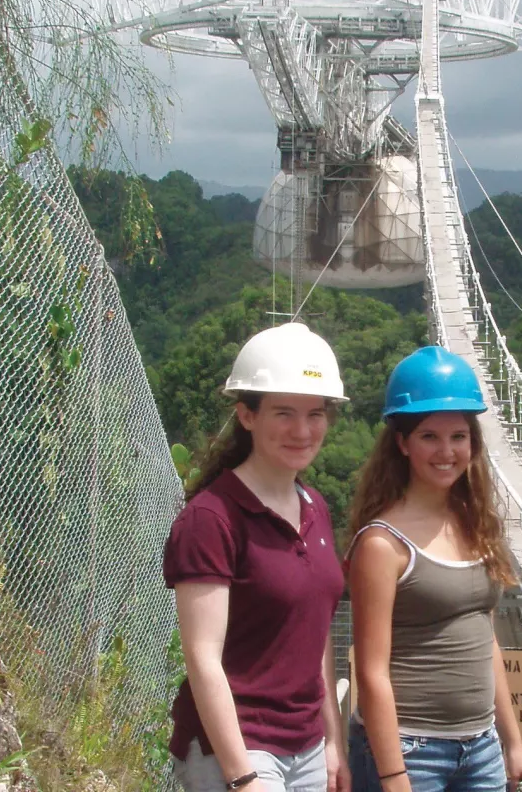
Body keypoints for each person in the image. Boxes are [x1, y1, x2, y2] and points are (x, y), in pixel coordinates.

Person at [162, 322, 351, 792]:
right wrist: (243, 777)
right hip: (237, 747)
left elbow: (316, 633)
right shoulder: (213, 518)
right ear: (246, 415)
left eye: (316, 413)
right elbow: (201, 656)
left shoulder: (315, 507)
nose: (303, 430)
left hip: (305, 747)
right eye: (283, 413)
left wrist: (331, 740)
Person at [344, 345, 522, 792]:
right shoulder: (382, 543)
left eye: (458, 436)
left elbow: (485, 640)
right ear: (402, 443)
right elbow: (370, 672)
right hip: (410, 751)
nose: (446, 451)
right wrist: (393, 776)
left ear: (473, 442)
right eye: (429, 436)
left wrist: (512, 745)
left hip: (481, 748)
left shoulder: (476, 525)